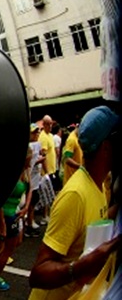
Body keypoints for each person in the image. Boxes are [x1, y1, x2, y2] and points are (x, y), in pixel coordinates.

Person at [29, 106, 121, 299]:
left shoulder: (100, 185)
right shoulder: (75, 195)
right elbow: (38, 274)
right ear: (106, 147)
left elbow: (97, 218)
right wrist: (81, 267)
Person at [0, 146, 33, 292]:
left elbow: (30, 189)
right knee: (8, 249)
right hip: (7, 215)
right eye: (29, 159)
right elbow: (0, 198)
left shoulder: (26, 171)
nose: (31, 161)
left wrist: (26, 207)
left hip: (16, 214)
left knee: (17, 242)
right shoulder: (11, 173)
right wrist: (2, 222)